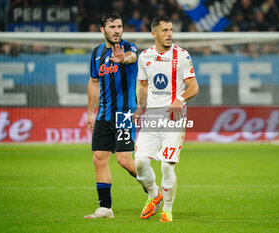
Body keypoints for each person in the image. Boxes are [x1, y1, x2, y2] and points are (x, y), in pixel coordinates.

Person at [133, 15, 199, 222]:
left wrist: (180, 99)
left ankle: (167, 209)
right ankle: (154, 195)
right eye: (165, 30)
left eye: (171, 30)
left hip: (174, 117)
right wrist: (139, 108)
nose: (169, 34)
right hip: (152, 116)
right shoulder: (144, 57)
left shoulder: (182, 55)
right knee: (141, 163)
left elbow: (194, 87)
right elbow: (143, 85)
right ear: (154, 34)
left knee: (166, 165)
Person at [85, 13, 142, 219]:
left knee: (125, 161)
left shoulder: (129, 47)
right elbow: (94, 82)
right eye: (112, 27)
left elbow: (132, 58)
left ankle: (153, 190)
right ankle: (105, 208)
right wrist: (91, 113)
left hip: (124, 114)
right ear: (103, 30)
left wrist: (122, 58)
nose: (117, 30)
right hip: (103, 115)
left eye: (119, 26)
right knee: (98, 159)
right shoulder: (97, 53)